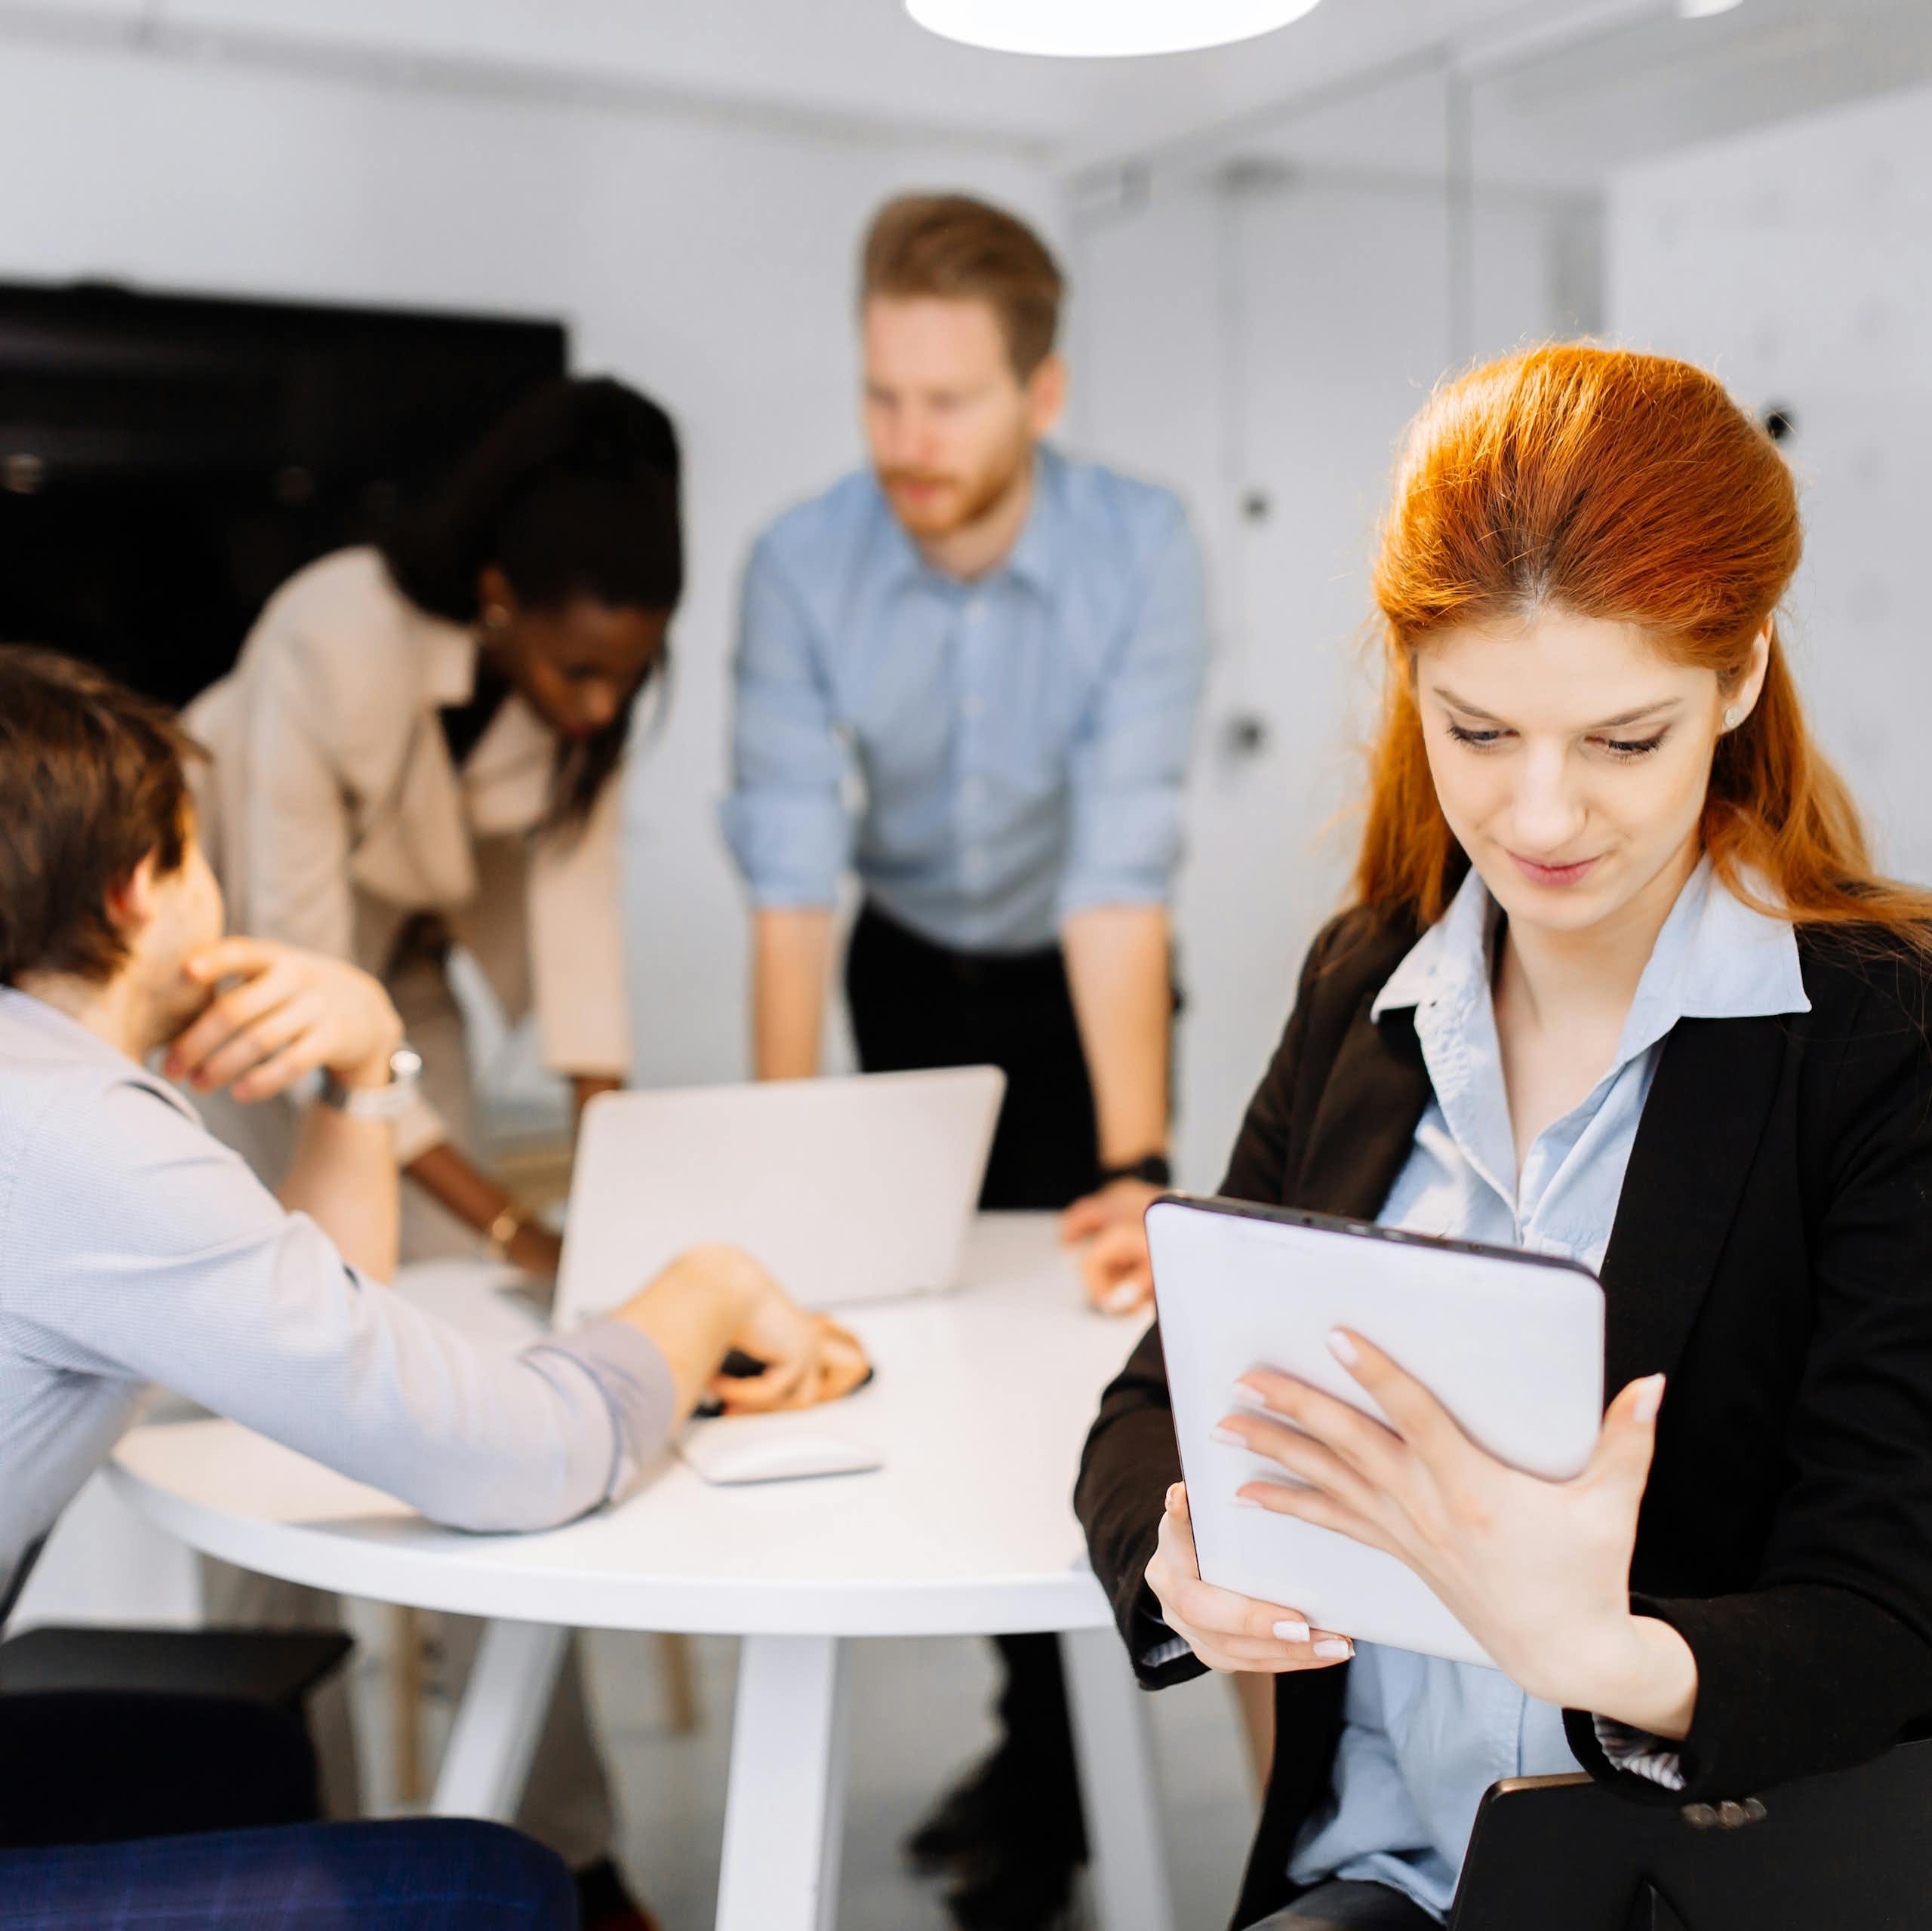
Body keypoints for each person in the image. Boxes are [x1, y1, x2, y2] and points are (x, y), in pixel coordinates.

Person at [1074, 344, 1932, 1930]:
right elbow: (1151, 1402)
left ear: (1736, 677)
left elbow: (1888, 1611)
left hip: (1707, 1884)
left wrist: (1596, 1652)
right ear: (1409, 679)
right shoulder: (1364, 981)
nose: (1539, 818)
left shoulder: (1883, 1039)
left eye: (1620, 741)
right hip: (1389, 1880)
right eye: (1478, 732)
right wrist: (1181, 1570)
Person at [0, 647, 866, 1917]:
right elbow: (516, 1456)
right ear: (143, 889)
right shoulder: (78, 1137)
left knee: (249, 1757)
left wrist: (363, 1062)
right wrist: (714, 1287)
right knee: (492, 1886)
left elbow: (309, 1331)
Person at [721, 192, 1211, 1929]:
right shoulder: (801, 563)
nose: (908, 446)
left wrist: (1133, 1163)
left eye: (948, 403)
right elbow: (790, 887)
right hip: (908, 971)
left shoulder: (1141, 546)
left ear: (1041, 392)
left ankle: (1055, 1777)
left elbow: (1114, 877)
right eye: (880, 399)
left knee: (1086, 1347)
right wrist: (770, 1196)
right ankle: (1033, 1756)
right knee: (920, 1337)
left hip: (1087, 989)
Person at [181, 375, 680, 1924]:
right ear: (494, 598)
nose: (598, 707)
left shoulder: (584, 696)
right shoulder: (328, 636)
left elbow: (578, 960)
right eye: (578, 668)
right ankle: (284, 1839)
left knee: (491, 1411)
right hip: (237, 984)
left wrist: (613, 1194)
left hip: (389, 976)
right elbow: (312, 996)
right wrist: (521, 1231)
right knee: (271, 1399)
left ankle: (568, 1850)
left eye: (628, 679)